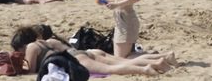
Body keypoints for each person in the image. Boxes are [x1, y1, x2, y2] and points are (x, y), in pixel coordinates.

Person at [11, 26, 173, 76]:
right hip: (87, 52)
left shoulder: (32, 47)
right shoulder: (50, 41)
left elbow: (31, 71)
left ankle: (145, 69)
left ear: (23, 44)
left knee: (113, 69)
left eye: (19, 50)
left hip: (76, 60)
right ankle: (161, 58)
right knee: (125, 61)